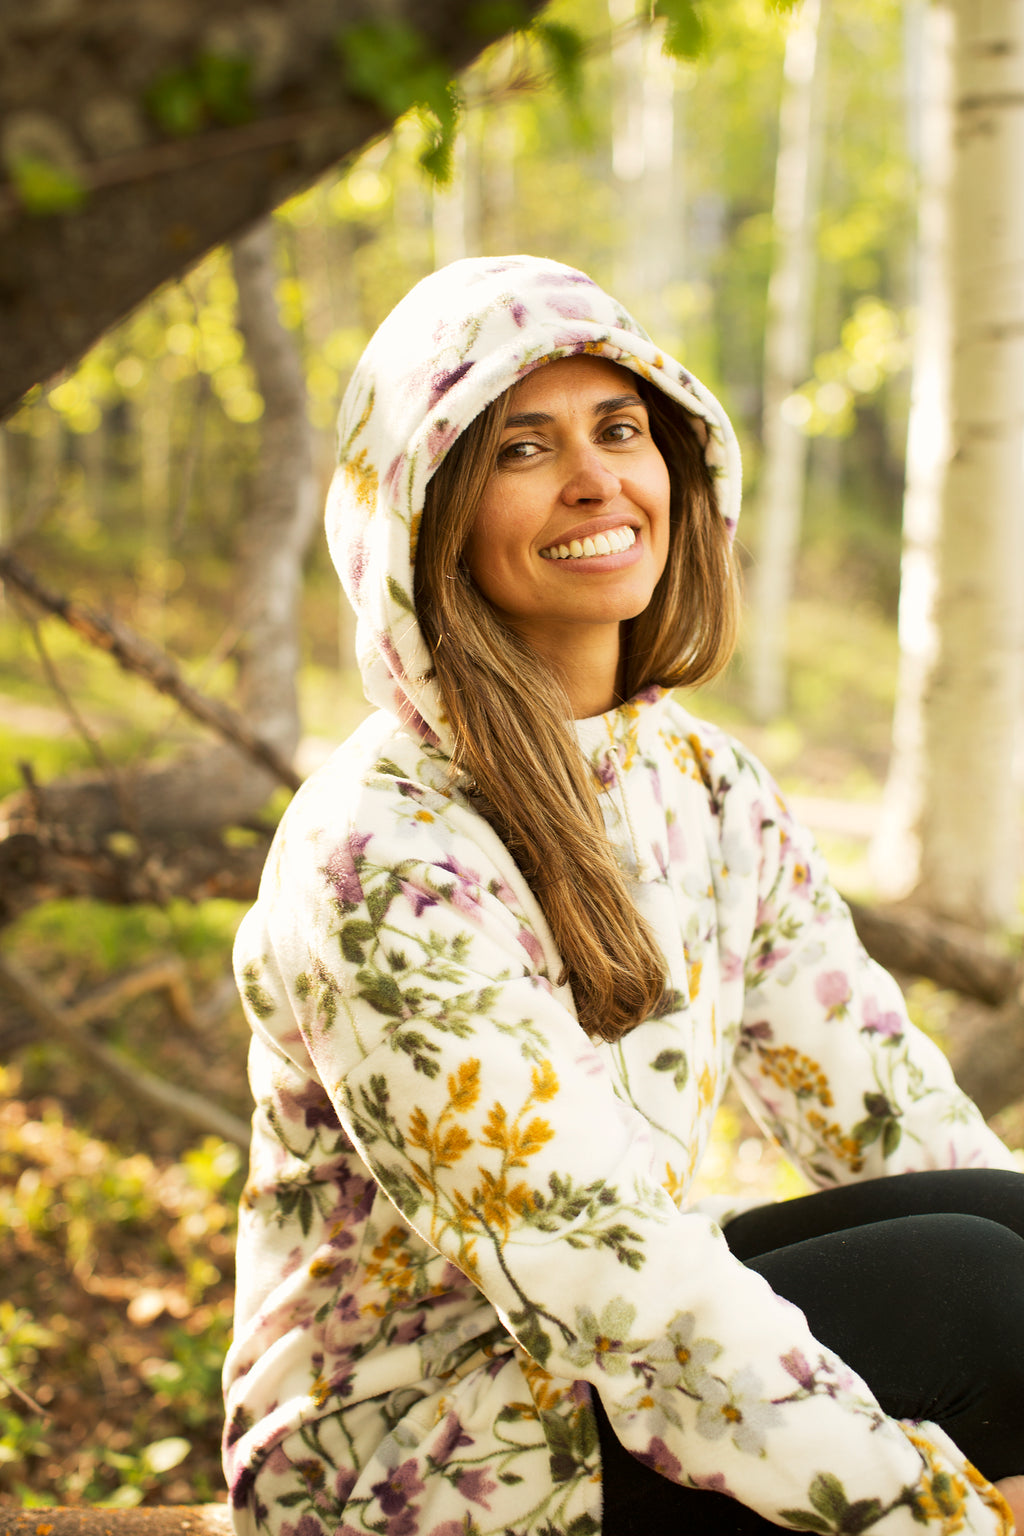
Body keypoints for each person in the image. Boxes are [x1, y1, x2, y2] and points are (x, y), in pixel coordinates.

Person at [222, 255, 1024, 1536]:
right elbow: (607, 1276)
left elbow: (886, 1110)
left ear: (680, 470)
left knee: (1005, 1225)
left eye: (622, 430)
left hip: (593, 1361)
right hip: (412, 1457)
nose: (595, 478)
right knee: (981, 1292)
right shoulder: (378, 859)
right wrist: (943, 1512)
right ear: (424, 514)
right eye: (520, 448)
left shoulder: (703, 782)